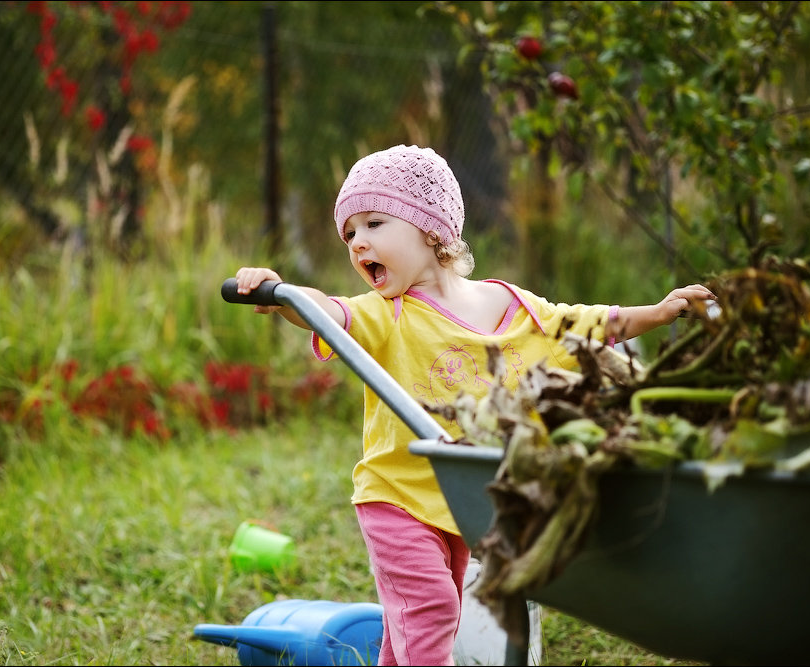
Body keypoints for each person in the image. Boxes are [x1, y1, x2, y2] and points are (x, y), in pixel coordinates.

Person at [233, 144, 715, 666]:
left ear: (431, 229)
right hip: (397, 498)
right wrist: (286, 295)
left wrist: (659, 313)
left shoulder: (515, 305)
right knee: (433, 610)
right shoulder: (386, 314)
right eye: (349, 233)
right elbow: (329, 313)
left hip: (465, 498)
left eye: (373, 223)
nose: (357, 243)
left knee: (417, 629)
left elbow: (588, 323)